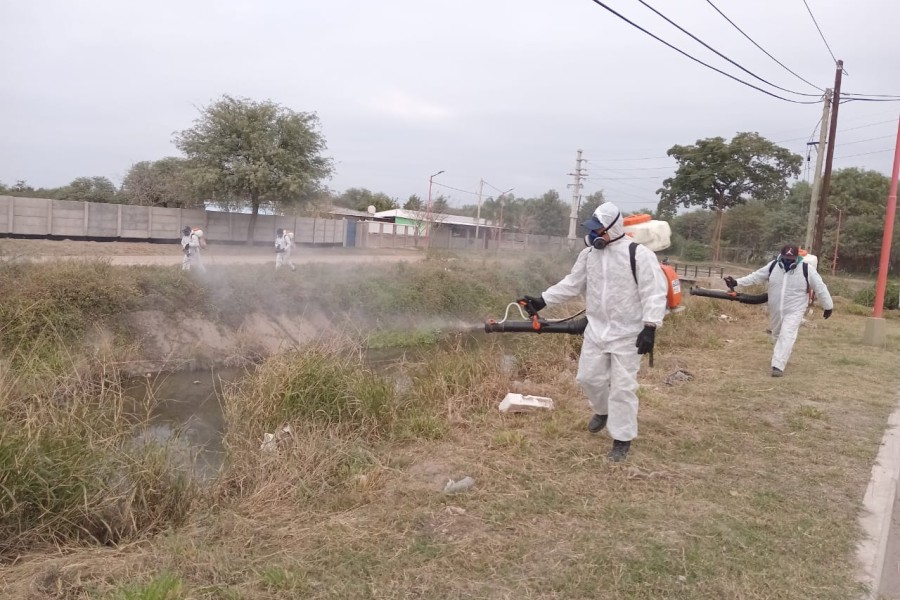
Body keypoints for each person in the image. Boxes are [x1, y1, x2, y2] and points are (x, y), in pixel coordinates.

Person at [516, 202, 668, 462]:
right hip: (596, 330)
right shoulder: (589, 255)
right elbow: (572, 284)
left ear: (613, 228)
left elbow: (654, 292)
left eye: (599, 230)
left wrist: (650, 326)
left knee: (623, 388)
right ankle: (603, 410)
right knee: (588, 378)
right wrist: (543, 300)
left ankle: (622, 438)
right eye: (592, 230)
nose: (594, 234)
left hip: (628, 333)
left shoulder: (638, 254)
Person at [723, 243, 833, 378]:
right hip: (775, 307)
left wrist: (828, 305)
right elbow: (756, 277)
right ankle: (781, 356)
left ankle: (778, 365)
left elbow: (820, 287)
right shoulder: (773, 266)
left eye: (791, 259)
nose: (788, 261)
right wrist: (736, 282)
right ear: (781, 256)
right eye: (786, 258)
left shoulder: (806, 269)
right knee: (777, 334)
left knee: (787, 334)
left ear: (796, 257)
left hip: (795, 308)